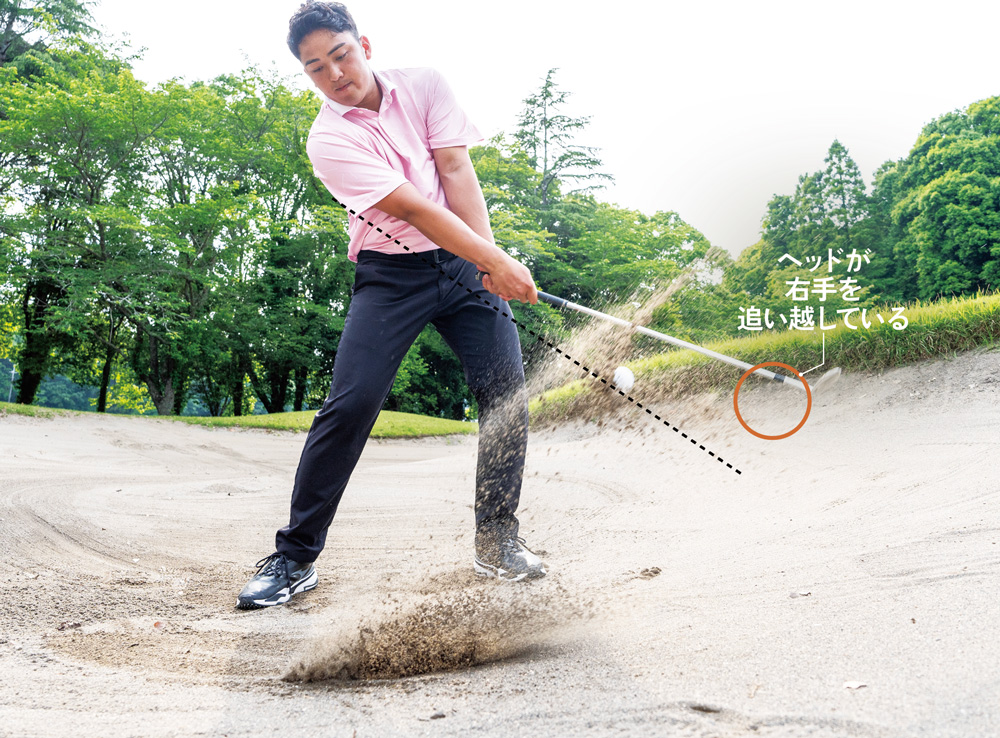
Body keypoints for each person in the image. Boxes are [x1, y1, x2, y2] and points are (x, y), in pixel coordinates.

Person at [236, 1, 546, 609]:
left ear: (366, 46)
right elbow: (413, 208)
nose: (334, 74)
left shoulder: (425, 85)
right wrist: (492, 260)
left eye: (341, 54)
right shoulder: (329, 139)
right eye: (315, 67)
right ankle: (295, 557)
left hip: (460, 262)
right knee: (351, 405)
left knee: (506, 393)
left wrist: (484, 257)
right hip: (390, 276)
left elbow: (456, 171)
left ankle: (497, 538)